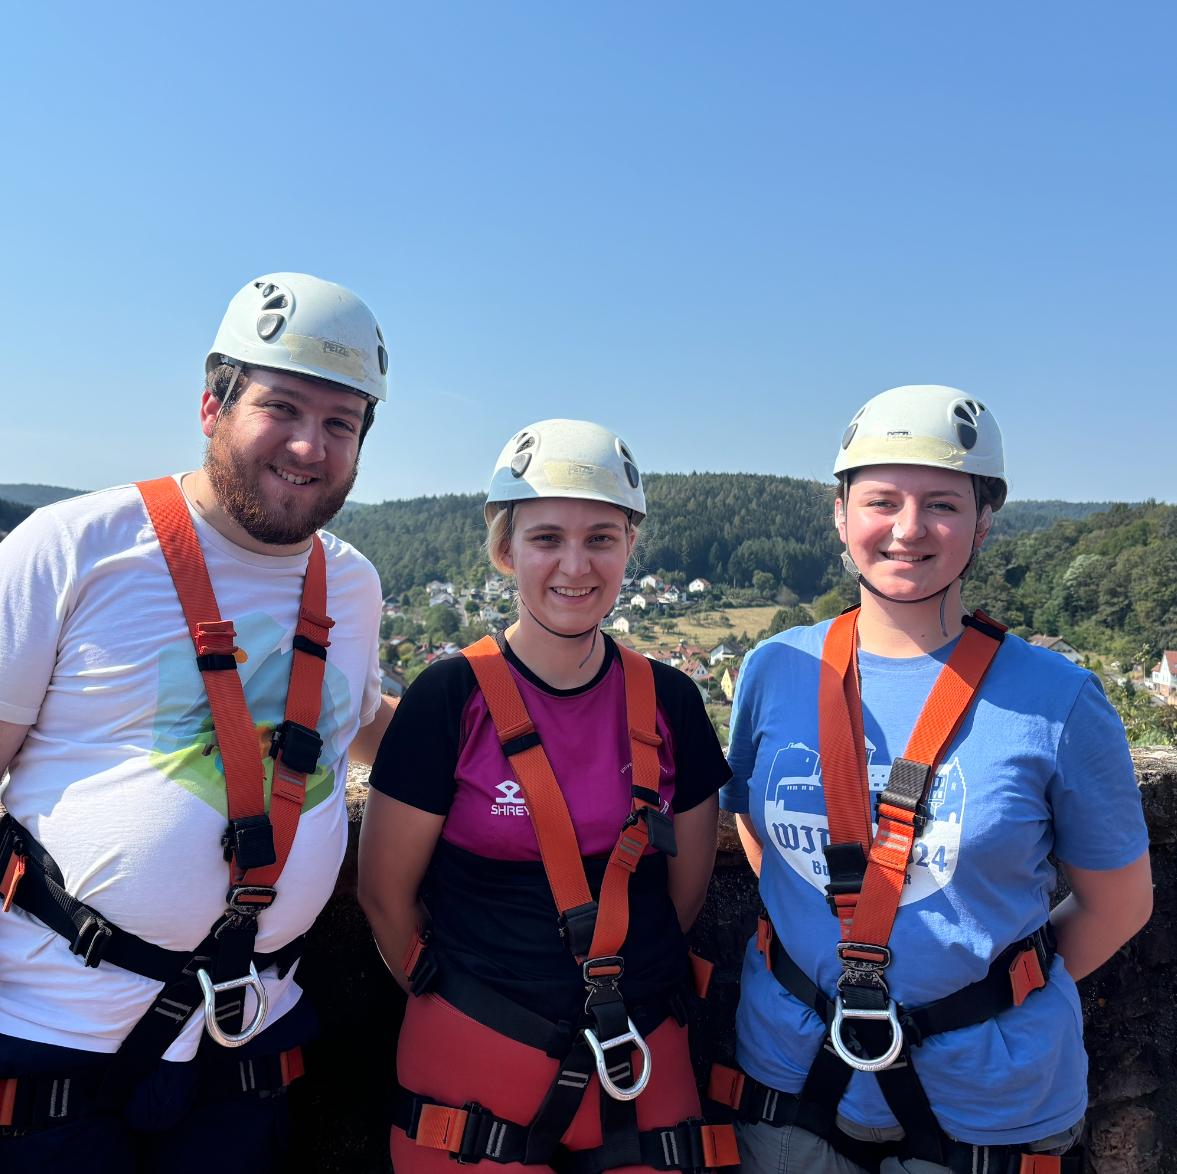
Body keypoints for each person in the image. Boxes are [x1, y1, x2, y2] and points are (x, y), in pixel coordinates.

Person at [0, 273, 397, 1171]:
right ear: (213, 404)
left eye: (341, 423)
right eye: (281, 406)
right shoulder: (76, 548)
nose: (310, 444)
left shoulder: (352, 583)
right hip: (53, 1034)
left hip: (245, 1044)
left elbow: (361, 718)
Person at [712, 386, 1153, 1174]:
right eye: (881, 500)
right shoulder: (774, 670)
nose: (908, 528)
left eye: (941, 504)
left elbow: (1118, 904)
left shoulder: (1056, 701)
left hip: (991, 1105)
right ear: (840, 515)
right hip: (789, 1086)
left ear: (982, 524)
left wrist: (981, 999)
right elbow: (758, 833)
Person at [359, 419, 738, 1173]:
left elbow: (685, 894)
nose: (575, 565)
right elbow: (382, 896)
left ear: (629, 546)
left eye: (601, 539)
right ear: (505, 550)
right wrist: (474, 1004)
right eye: (545, 539)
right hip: (475, 1060)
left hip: (639, 1057)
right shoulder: (448, 697)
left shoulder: (672, 701)